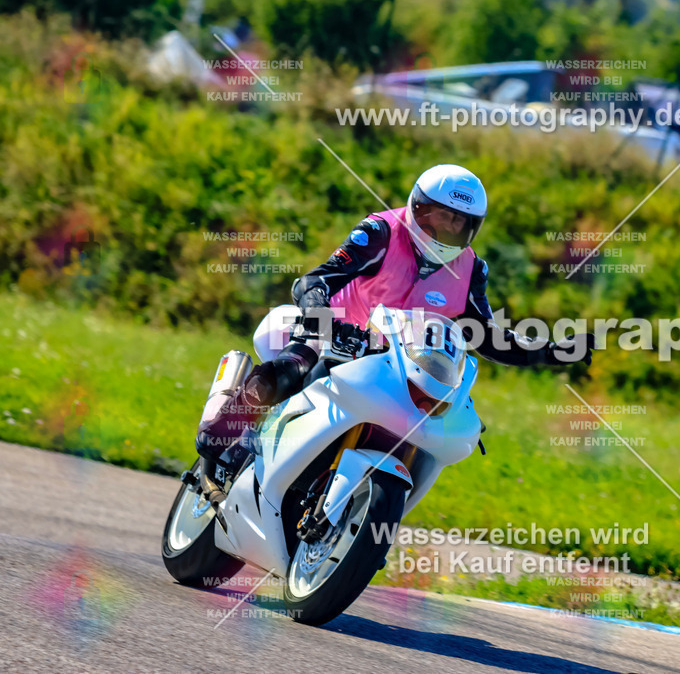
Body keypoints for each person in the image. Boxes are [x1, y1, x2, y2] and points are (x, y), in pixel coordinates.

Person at [195, 164, 594, 466]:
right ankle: (231, 424)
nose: (445, 230)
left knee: (429, 432)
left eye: (459, 223)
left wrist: (552, 352)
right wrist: (321, 316)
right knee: (292, 366)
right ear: (417, 207)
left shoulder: (472, 270)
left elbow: (485, 336)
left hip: (399, 366)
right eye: (438, 216)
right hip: (335, 337)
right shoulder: (380, 232)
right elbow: (316, 280)